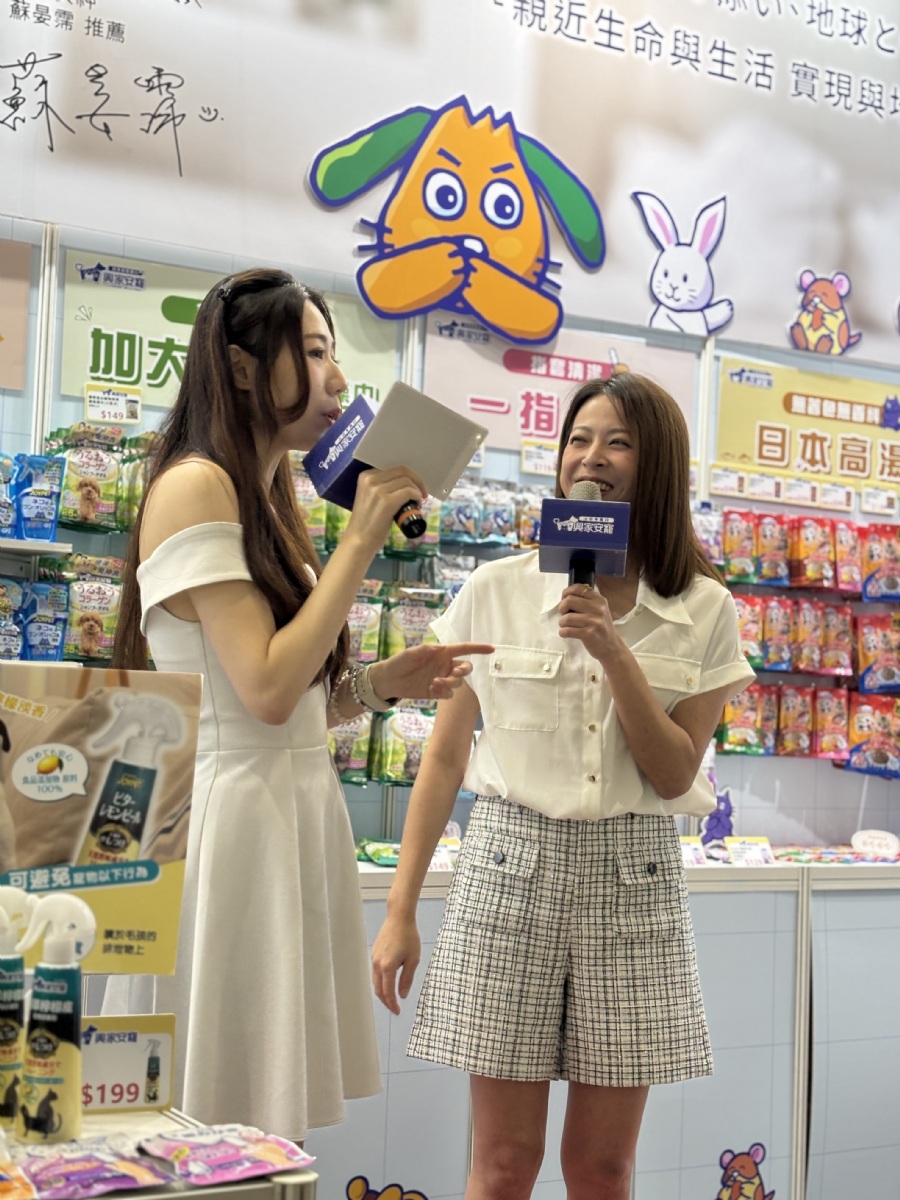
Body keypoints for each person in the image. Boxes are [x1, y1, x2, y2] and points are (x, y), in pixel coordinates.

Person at [112, 267, 491, 1142]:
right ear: (243, 367)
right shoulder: (196, 484)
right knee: (211, 1114)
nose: (337, 381)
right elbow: (267, 692)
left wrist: (378, 686)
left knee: (265, 1120)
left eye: (334, 355)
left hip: (283, 808)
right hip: (230, 823)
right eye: (313, 353)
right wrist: (360, 536)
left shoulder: (267, 495)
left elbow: (289, 704)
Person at [371, 373, 756, 1200]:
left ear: (657, 465)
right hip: (508, 871)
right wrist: (400, 911)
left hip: (634, 879)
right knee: (503, 1163)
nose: (592, 457)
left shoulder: (704, 608)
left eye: (618, 442)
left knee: (603, 1168)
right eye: (578, 439)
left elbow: (675, 772)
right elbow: (444, 758)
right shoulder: (497, 589)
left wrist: (613, 650)